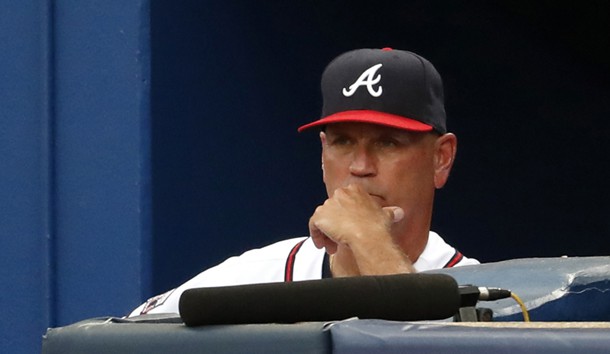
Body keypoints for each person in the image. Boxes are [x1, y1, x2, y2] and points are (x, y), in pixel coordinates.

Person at [128, 47, 478, 316]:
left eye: (388, 142)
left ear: (440, 158)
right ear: (323, 154)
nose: (360, 166)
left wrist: (371, 240)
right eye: (343, 142)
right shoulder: (252, 277)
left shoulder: (492, 293)